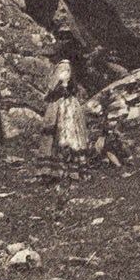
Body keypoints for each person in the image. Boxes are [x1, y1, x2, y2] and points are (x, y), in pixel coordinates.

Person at [38, 39, 91, 184]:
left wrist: (48, 94)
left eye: (52, 56)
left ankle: (63, 171)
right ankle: (68, 170)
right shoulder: (66, 66)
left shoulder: (62, 67)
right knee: (70, 135)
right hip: (68, 103)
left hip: (62, 105)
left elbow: (54, 87)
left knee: (63, 135)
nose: (50, 59)